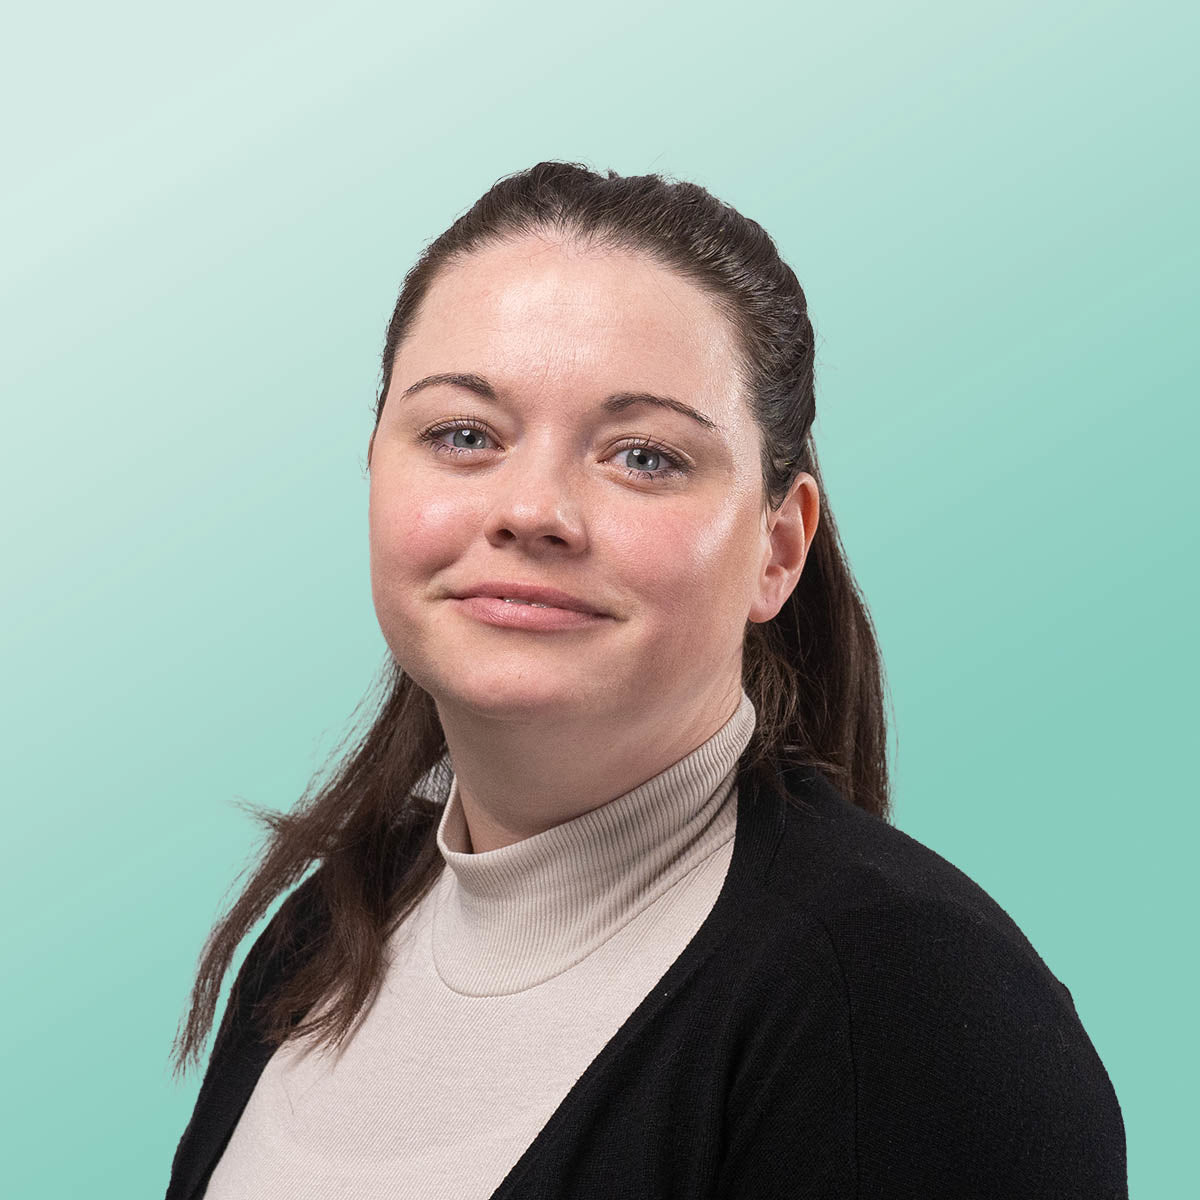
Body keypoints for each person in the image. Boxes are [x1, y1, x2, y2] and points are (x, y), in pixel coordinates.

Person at [164, 161, 1127, 1199]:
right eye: (463, 435)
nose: (531, 510)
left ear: (778, 548)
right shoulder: (325, 933)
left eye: (644, 457)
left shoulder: (912, 1007)